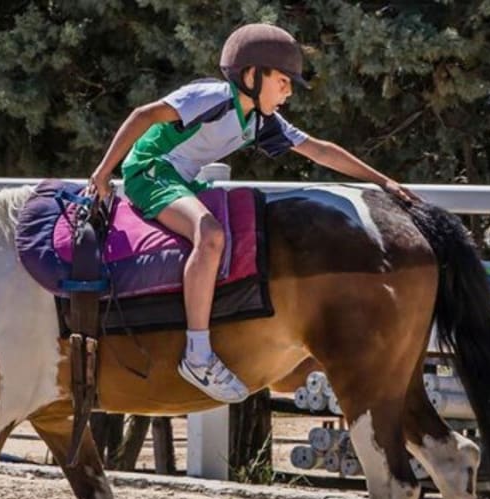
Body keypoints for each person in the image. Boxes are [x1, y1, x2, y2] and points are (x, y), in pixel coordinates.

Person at [88, 23, 420, 404]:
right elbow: (143, 115)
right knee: (210, 235)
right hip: (149, 173)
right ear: (251, 75)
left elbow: (320, 150)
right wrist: (102, 174)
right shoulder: (210, 96)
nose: (289, 91)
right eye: (283, 81)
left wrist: (384, 182)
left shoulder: (260, 122)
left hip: (183, 179)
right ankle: (197, 355)